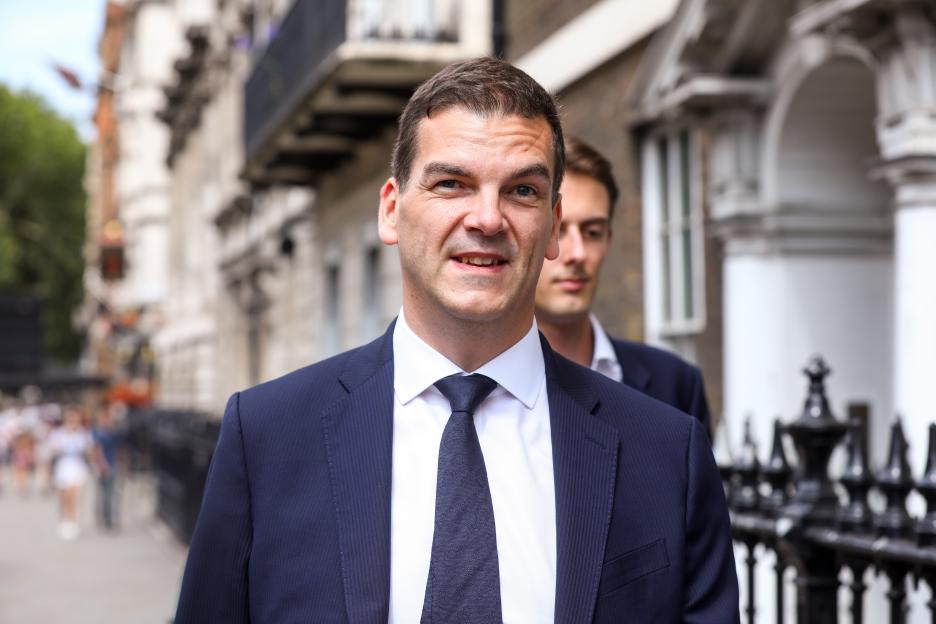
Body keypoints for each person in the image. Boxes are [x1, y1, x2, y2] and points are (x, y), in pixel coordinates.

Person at [175, 57, 738, 623]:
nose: (488, 219)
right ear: (392, 210)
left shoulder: (666, 453)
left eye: (521, 190)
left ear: (550, 223)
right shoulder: (267, 438)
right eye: (452, 184)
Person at [535, 136, 712, 434]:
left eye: (592, 232)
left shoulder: (675, 383)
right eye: (558, 230)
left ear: (609, 240)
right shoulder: (479, 384)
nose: (578, 254)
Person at [47, 405, 94, 540]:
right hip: (62, 467)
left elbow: (89, 451)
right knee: (64, 497)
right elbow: (52, 450)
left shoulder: (83, 433)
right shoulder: (58, 433)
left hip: (77, 466)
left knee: (72, 495)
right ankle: (65, 519)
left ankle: (73, 521)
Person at [91, 403, 127, 531]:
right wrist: (101, 465)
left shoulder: (116, 431)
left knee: (115, 494)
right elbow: (96, 449)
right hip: (104, 466)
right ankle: (104, 518)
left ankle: (114, 519)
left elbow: (122, 448)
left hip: (115, 465)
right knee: (104, 495)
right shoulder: (97, 432)